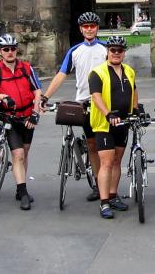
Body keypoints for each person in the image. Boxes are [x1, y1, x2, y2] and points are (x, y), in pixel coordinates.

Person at [41, 11, 107, 201]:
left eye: (92, 26)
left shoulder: (106, 49)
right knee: (93, 146)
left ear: (97, 28)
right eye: (85, 27)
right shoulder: (75, 51)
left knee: (106, 148)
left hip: (104, 104)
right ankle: (97, 183)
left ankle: (107, 185)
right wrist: (45, 96)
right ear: (80, 29)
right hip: (84, 103)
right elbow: (61, 74)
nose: (89, 29)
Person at [0, 34, 43, 210]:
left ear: (17, 50)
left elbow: (37, 91)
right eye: (6, 49)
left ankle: (19, 186)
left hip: (28, 116)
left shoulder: (26, 68)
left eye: (13, 49)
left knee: (25, 152)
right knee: (18, 154)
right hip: (10, 118)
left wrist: (35, 112)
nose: (10, 52)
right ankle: (23, 192)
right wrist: (3, 96)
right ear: (0, 51)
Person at [89, 35, 138, 219]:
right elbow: (96, 96)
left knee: (117, 161)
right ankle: (104, 203)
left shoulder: (129, 71)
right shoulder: (97, 72)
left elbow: (134, 90)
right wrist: (108, 114)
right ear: (107, 52)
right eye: (113, 50)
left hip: (123, 123)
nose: (116, 53)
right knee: (107, 162)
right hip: (104, 124)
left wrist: (135, 110)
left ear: (124, 53)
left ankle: (112, 194)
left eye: (120, 50)